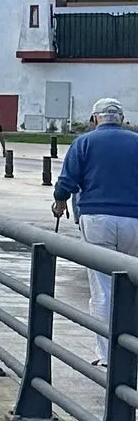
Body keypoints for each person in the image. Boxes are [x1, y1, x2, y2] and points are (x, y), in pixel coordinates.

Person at [52, 98, 138, 351]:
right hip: (134, 220)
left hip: (96, 220)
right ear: (122, 120)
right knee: (133, 283)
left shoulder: (84, 142)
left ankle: (107, 355)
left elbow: (67, 181)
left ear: (94, 119)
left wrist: (60, 201)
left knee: (103, 289)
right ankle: (132, 348)